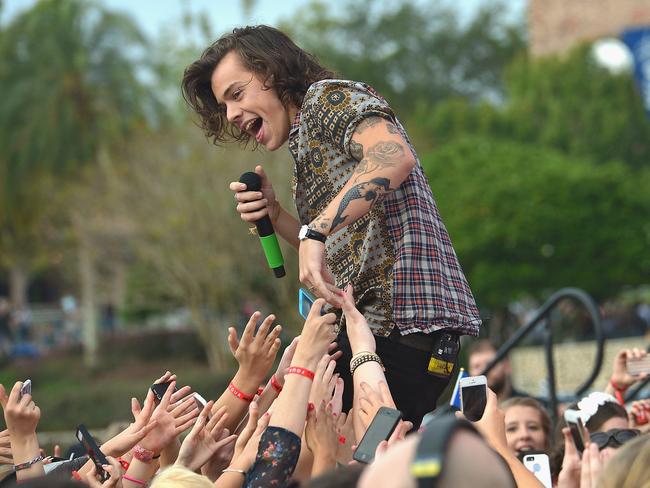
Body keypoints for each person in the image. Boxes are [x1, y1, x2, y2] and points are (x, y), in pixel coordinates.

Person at [181, 24, 481, 428]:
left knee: (284, 444)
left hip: (395, 333)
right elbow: (334, 256)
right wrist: (278, 216)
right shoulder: (305, 143)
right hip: (385, 338)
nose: (232, 114)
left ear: (271, 72)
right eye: (225, 106)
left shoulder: (328, 98)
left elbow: (393, 155)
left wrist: (315, 230)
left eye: (237, 94)